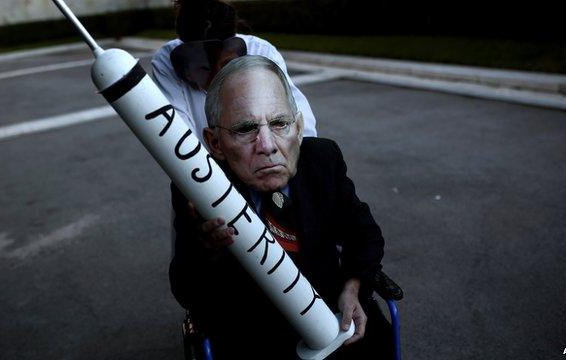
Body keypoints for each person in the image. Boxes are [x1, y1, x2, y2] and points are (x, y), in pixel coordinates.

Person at [169, 55, 393, 359]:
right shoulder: (198, 187)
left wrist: (352, 288)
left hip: (337, 318)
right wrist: (206, 250)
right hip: (254, 335)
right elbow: (186, 289)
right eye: (246, 129)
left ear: (299, 128)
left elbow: (364, 235)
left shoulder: (322, 160)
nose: (267, 145)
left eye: (279, 123)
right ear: (215, 143)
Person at [151, 0, 318, 144]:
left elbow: (297, 118)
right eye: (203, 67)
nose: (216, 77)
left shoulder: (261, 50)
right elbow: (178, 133)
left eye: (226, 63)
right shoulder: (166, 62)